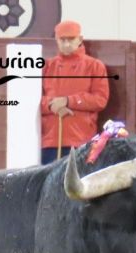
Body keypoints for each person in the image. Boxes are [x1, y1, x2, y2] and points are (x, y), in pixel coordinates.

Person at [39, 20, 109, 164]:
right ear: (56, 40)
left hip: (81, 139)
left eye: (71, 39)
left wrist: (68, 101)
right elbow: (32, 99)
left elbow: (100, 100)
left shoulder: (95, 66)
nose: (66, 44)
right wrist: (53, 105)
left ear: (80, 39)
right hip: (51, 139)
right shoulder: (47, 67)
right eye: (62, 40)